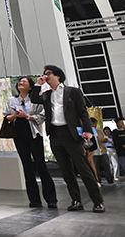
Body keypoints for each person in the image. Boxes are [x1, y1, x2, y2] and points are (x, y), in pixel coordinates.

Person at [31, 65, 105, 213]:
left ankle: (98, 202)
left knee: (83, 169)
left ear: (58, 76)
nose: (46, 76)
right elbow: (34, 98)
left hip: (71, 134)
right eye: (44, 74)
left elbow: (83, 112)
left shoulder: (73, 91)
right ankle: (76, 200)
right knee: (66, 171)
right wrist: (38, 84)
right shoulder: (47, 94)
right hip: (55, 134)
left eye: (48, 73)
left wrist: (88, 131)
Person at [5, 76, 57, 208]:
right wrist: (15, 115)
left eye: (24, 81)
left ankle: (51, 199)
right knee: (27, 167)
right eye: (20, 81)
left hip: (34, 134)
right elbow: (6, 116)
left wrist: (27, 116)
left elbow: (42, 116)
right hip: (19, 135)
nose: (21, 83)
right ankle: (34, 199)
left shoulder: (35, 100)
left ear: (30, 87)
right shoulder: (12, 100)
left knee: (41, 166)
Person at [92, 118, 113, 184]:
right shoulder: (88, 132)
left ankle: (110, 180)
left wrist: (105, 140)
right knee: (96, 167)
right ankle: (98, 181)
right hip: (94, 153)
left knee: (107, 165)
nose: (95, 125)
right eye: (94, 123)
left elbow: (104, 138)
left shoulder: (99, 131)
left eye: (96, 124)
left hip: (103, 151)